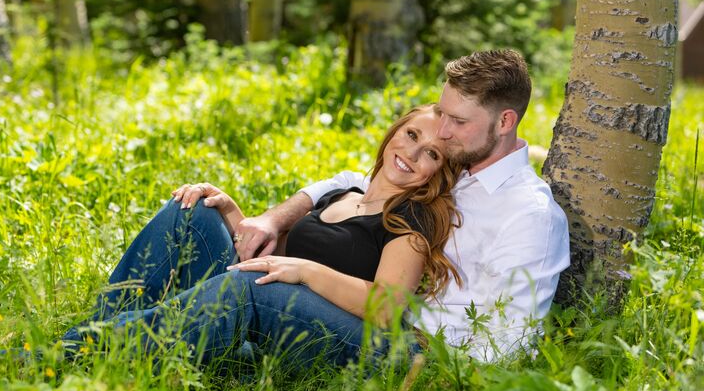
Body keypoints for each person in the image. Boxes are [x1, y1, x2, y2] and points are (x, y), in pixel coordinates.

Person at [231, 49, 571, 361]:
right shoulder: (458, 163)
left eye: (459, 121)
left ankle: (181, 354)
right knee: (196, 214)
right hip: (370, 322)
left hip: (418, 353)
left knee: (259, 289)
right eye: (444, 114)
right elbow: (360, 183)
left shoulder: (529, 214)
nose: (443, 130)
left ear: (505, 122)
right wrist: (273, 219)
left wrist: (438, 387)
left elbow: (512, 340)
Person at [62, 105, 461, 366]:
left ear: (438, 172)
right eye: (412, 135)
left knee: (251, 286)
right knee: (192, 210)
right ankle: (101, 333)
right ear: (394, 132)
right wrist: (230, 212)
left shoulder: (412, 218)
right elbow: (277, 257)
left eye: (431, 154)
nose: (412, 153)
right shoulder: (345, 194)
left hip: (355, 342)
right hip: (279, 309)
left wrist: (305, 272)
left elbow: (388, 307)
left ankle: (77, 353)